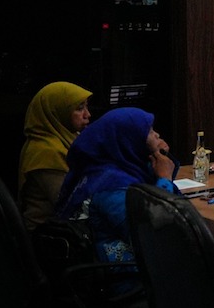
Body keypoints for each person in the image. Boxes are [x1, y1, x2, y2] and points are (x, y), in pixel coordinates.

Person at [57, 107, 179, 280]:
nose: (157, 135)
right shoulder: (111, 187)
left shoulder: (103, 170)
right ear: (129, 139)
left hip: (132, 269)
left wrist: (162, 164)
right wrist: (165, 179)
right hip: (130, 280)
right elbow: (156, 234)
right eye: (150, 131)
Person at [17, 81, 92, 229]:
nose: (87, 115)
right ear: (57, 111)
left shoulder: (69, 138)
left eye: (86, 106)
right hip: (49, 234)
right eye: (79, 108)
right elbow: (71, 203)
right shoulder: (45, 151)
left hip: (69, 228)